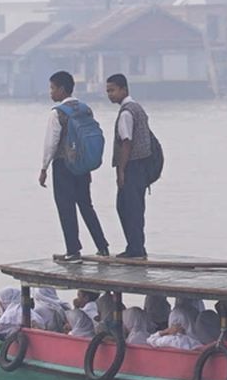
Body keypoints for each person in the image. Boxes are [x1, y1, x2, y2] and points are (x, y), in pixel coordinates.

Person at [40, 70, 109, 262]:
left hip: (64, 165)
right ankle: (102, 246)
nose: (51, 92)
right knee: (86, 205)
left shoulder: (57, 113)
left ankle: (73, 250)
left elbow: (51, 143)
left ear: (62, 89)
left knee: (66, 207)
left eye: (52, 88)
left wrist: (44, 168)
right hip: (83, 165)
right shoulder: (85, 109)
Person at [106, 73, 153, 259]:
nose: (110, 94)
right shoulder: (138, 108)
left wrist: (121, 171)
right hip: (143, 165)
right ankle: (136, 246)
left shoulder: (126, 112)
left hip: (132, 166)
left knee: (127, 207)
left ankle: (135, 249)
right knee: (135, 207)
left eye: (112, 90)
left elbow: (126, 142)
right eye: (108, 91)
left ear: (123, 89)